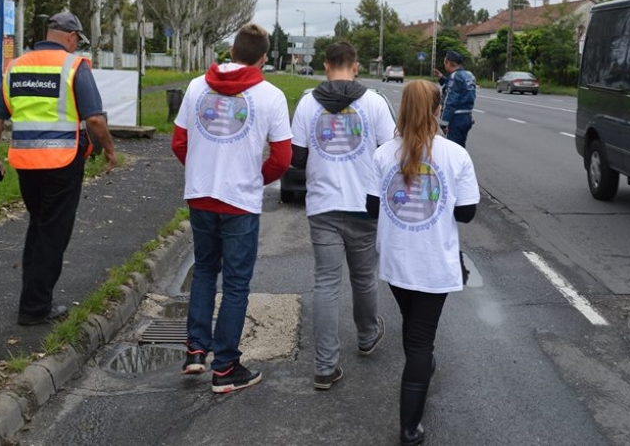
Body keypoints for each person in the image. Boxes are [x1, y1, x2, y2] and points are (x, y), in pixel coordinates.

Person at [171, 22, 292, 394]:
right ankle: (225, 367)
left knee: (205, 270)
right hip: (240, 200)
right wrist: (254, 176)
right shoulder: (271, 96)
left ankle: (195, 350)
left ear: (232, 51)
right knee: (236, 283)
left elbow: (179, 142)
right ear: (263, 58)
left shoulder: (196, 86)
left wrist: (201, 170)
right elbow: (283, 158)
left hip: (201, 194)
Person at [0, 10, 118, 326]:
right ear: (70, 37)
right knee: (53, 233)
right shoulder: (74, 67)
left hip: (26, 162)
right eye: (76, 41)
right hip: (61, 162)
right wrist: (110, 150)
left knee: (39, 225)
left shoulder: (16, 66)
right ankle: (34, 307)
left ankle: (32, 296)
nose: (75, 46)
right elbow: (95, 119)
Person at [366, 79, 480, 446]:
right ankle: (409, 428)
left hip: (397, 262)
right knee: (420, 340)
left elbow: (371, 207)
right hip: (434, 262)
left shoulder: (384, 154)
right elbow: (466, 213)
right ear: (435, 111)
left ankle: (423, 364)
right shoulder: (455, 155)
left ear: (402, 110)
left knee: (414, 328)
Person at [290, 41, 397, 391]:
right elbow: (390, 154)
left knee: (326, 284)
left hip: (323, 206)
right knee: (364, 277)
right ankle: (367, 336)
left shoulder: (307, 103)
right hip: (365, 205)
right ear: (355, 66)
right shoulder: (375, 103)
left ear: (325, 66)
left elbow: (298, 158)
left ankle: (325, 367)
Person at [438, 50, 476, 148]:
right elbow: (465, 92)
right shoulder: (469, 75)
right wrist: (442, 78)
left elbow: (450, 100)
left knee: (453, 147)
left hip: (456, 118)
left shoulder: (454, 77)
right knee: (461, 146)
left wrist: (443, 122)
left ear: (448, 63)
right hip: (466, 116)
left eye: (444, 62)